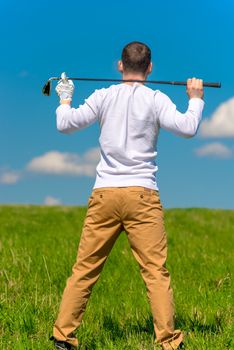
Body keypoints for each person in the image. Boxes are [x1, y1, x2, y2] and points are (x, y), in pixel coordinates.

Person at [50, 41, 204, 350]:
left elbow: (64, 124)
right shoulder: (157, 98)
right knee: (155, 273)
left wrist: (66, 98)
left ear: (120, 66)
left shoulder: (103, 96)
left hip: (104, 194)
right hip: (143, 196)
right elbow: (188, 128)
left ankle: (63, 337)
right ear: (150, 68)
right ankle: (169, 342)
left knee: (85, 269)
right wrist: (195, 98)